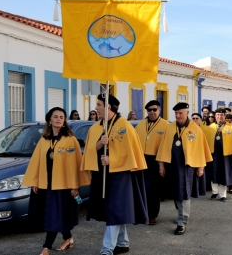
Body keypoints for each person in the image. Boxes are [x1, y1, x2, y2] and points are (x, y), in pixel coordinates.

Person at [81, 94, 148, 255]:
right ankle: (123, 242)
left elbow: (131, 153)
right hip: (101, 173)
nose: (96, 108)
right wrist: (99, 144)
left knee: (115, 208)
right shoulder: (96, 127)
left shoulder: (125, 126)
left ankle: (107, 249)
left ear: (108, 107)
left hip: (121, 175)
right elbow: (89, 150)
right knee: (115, 209)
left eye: (99, 105)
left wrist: (113, 159)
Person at [22, 107, 91, 255]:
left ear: (64, 121)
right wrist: (35, 181)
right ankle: (68, 238)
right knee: (57, 215)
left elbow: (76, 164)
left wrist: (75, 185)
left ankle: (46, 247)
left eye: (62, 117)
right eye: (56, 116)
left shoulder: (71, 140)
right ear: (49, 120)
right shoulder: (44, 140)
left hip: (64, 185)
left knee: (55, 214)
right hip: (46, 185)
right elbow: (36, 162)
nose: (59, 119)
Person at [156, 102, 212, 235]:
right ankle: (181, 212)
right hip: (172, 166)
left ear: (187, 113)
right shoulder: (170, 127)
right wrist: (161, 165)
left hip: (187, 167)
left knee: (185, 193)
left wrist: (201, 167)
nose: (178, 115)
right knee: (175, 192)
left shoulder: (195, 129)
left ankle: (182, 222)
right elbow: (163, 146)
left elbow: (201, 149)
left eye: (180, 113)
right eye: (176, 113)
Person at [135, 100, 170, 225]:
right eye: (149, 110)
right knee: (140, 188)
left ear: (159, 110)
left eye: (154, 109)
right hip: (141, 159)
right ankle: (141, 213)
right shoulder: (140, 124)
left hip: (156, 160)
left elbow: (167, 146)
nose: (152, 112)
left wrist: (162, 164)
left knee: (153, 190)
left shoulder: (166, 125)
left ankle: (152, 215)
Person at [209, 109, 232, 201]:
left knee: (224, 173)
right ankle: (214, 192)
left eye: (222, 115)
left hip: (225, 154)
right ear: (215, 116)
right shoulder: (211, 127)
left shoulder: (230, 127)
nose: (220, 117)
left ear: (224, 116)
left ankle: (223, 195)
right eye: (218, 115)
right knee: (213, 172)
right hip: (213, 153)